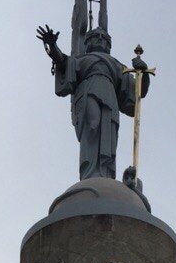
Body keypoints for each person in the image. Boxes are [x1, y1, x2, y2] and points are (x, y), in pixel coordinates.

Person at [36, 24, 149, 180]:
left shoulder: (117, 65)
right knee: (92, 125)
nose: (101, 39)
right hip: (89, 92)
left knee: (109, 133)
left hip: (110, 98)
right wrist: (52, 45)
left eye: (104, 38)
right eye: (96, 37)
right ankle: (90, 171)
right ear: (88, 42)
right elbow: (62, 61)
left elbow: (138, 91)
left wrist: (144, 73)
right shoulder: (82, 59)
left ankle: (106, 172)